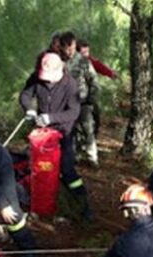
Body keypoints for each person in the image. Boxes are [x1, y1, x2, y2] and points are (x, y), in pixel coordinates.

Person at [19, 52, 93, 220]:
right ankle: (40, 201)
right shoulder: (36, 79)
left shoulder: (70, 85)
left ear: (60, 71)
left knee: (67, 170)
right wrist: (29, 109)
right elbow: (25, 94)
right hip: (42, 135)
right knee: (39, 168)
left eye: (50, 77)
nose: (47, 81)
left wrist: (51, 118)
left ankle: (83, 204)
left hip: (63, 134)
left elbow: (74, 112)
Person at [62, 33, 101, 167]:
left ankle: (92, 157)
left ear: (74, 46)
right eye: (66, 48)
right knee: (70, 131)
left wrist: (91, 98)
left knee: (88, 129)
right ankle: (74, 156)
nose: (69, 51)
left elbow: (94, 81)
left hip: (84, 102)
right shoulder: (60, 62)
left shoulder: (84, 62)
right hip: (67, 104)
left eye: (71, 48)